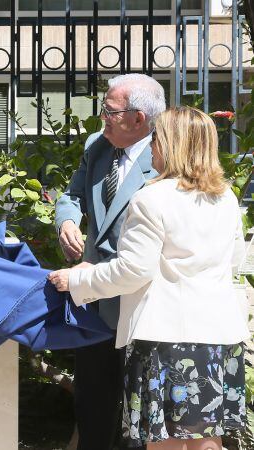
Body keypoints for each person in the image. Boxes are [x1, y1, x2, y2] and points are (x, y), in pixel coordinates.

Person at [49, 106, 249, 450]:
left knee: (164, 443)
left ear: (172, 144)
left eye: (157, 137)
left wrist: (76, 281)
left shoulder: (150, 199)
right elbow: (235, 259)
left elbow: (132, 271)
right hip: (218, 336)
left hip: (166, 339)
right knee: (207, 441)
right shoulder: (226, 198)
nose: (152, 145)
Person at [55, 73, 165, 449]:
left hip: (137, 303)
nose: (102, 116)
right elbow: (71, 195)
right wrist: (67, 220)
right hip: (92, 304)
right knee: (92, 408)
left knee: (140, 414)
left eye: (110, 110)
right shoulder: (97, 146)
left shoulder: (166, 156)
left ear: (139, 119)